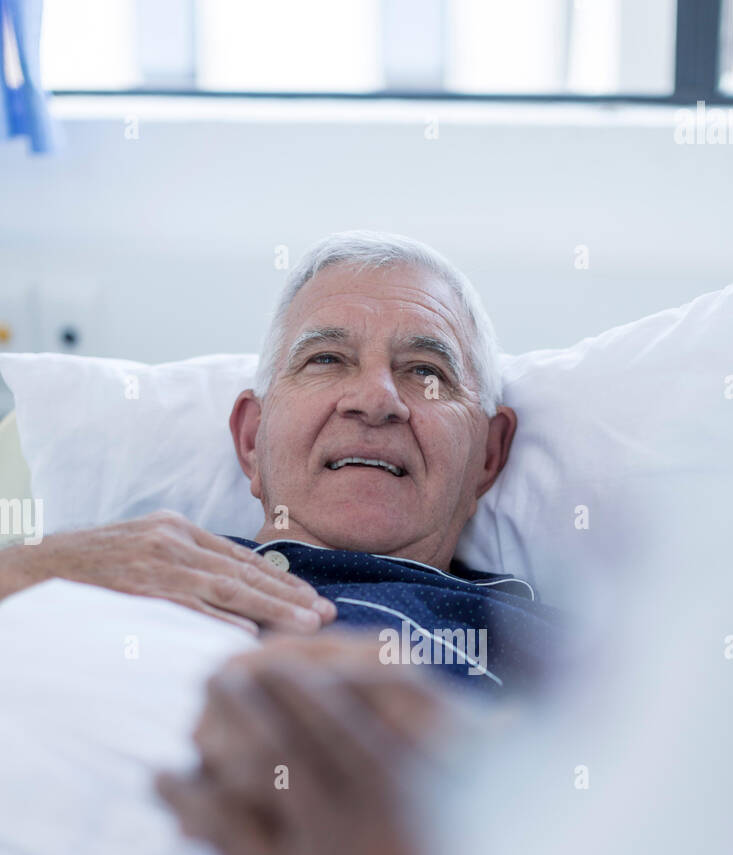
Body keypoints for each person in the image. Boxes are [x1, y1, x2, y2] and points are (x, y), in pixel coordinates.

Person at [0, 231, 558, 692]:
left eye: (425, 372)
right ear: (251, 441)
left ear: (488, 453)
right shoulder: (122, 566)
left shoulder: (536, 648)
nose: (375, 400)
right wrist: (33, 568)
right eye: (326, 360)